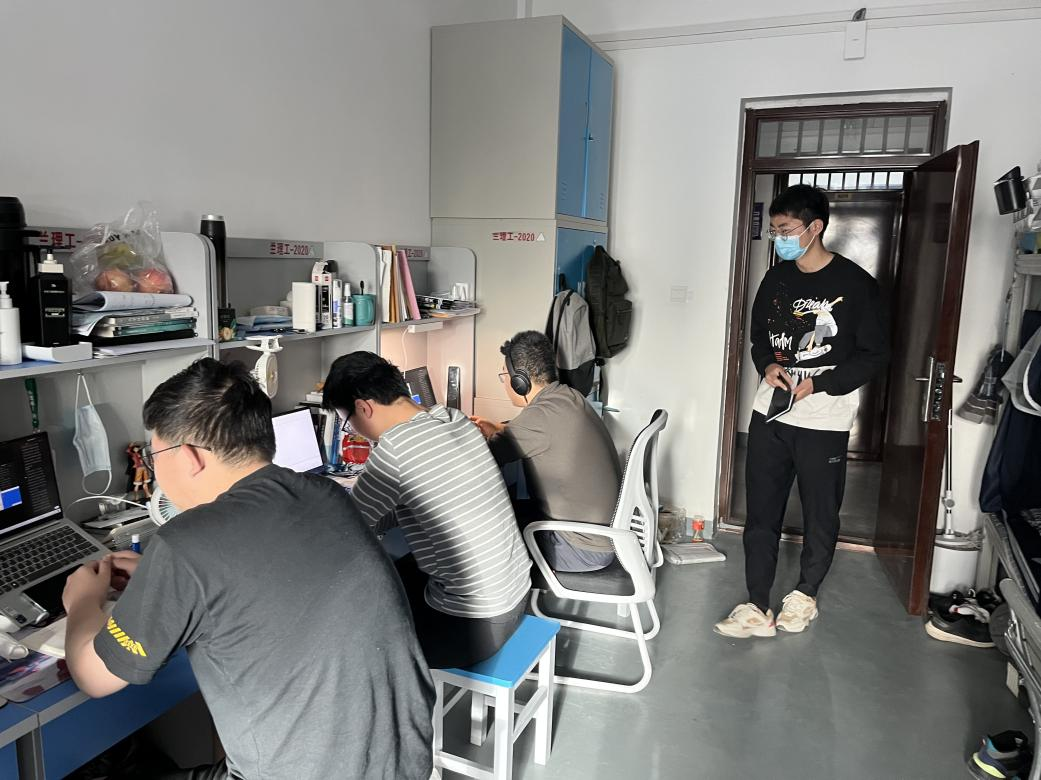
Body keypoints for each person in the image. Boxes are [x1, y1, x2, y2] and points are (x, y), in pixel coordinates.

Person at [62, 358, 434, 780]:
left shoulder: (185, 543)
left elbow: (94, 677)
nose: (155, 468)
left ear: (188, 456)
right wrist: (156, 575)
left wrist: (83, 602)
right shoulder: (324, 493)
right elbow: (261, 572)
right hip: (405, 764)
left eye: (155, 454)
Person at [715, 184, 889, 639]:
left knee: (820, 510)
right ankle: (756, 602)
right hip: (771, 411)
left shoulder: (856, 285)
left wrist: (822, 383)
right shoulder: (776, 279)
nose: (779, 238)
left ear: (816, 227)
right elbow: (758, 335)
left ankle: (805, 593)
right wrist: (767, 365)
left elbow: (874, 355)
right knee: (761, 509)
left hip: (823, 415)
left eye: (786, 229)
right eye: (774, 230)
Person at [323, 351, 532, 668]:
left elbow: (343, 531)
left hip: (471, 628)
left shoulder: (393, 451)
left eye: (348, 423)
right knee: (401, 567)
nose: (353, 431)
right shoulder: (454, 419)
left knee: (354, 616)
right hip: (515, 597)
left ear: (364, 408)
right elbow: (417, 500)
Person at [471, 330, 621, 572]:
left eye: (504, 376)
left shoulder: (539, 417)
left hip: (579, 549)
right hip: (602, 537)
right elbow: (540, 431)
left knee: (485, 540)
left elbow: (480, 459)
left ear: (519, 381)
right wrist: (498, 428)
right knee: (513, 512)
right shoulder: (568, 398)